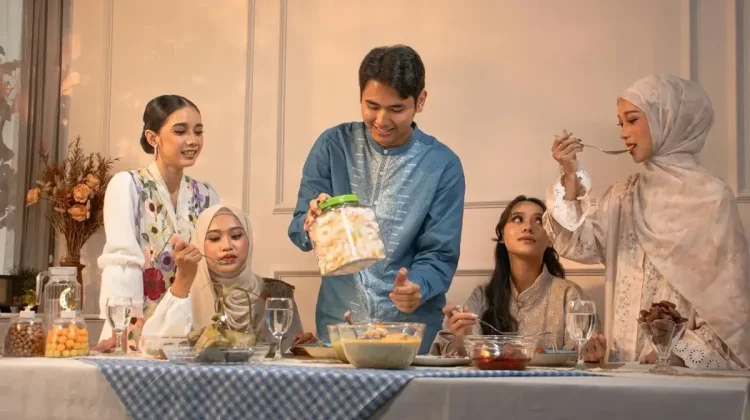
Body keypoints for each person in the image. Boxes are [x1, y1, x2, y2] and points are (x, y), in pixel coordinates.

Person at [544, 74, 750, 369]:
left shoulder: (712, 197)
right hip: (622, 369)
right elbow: (576, 243)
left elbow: (729, 307)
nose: (624, 133)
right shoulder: (624, 195)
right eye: (620, 123)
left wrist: (678, 351)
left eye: (632, 120)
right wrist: (569, 173)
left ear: (668, 120)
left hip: (680, 373)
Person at [287, 45, 465, 353]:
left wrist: (417, 287)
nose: (382, 120)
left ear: (420, 101)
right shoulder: (333, 146)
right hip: (341, 326)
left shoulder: (442, 165)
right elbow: (298, 229)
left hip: (410, 334)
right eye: (372, 106)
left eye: (396, 109)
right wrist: (312, 223)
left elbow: (439, 254)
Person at [95, 95, 219, 352]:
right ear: (153, 138)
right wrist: (126, 334)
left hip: (190, 328)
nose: (193, 140)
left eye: (198, 131)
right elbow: (122, 263)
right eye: (180, 131)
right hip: (137, 327)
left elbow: (211, 267)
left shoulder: (206, 195)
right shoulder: (127, 186)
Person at [141, 205, 311, 353]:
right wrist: (183, 279)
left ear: (249, 240)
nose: (227, 246)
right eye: (214, 238)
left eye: (236, 236)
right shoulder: (185, 295)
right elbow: (155, 350)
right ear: (200, 244)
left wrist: (303, 348)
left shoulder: (276, 294)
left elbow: (288, 356)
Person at [431, 195, 585, 356]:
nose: (528, 227)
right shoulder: (481, 297)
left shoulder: (569, 295)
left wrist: (591, 354)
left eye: (539, 221)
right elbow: (450, 353)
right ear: (502, 236)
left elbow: (581, 355)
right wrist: (460, 340)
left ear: (551, 239)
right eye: (518, 219)